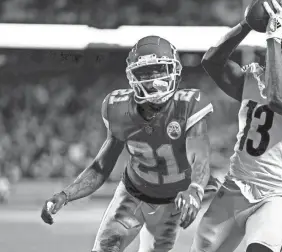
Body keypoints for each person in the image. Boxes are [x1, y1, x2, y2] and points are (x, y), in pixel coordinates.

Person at [40, 36, 214, 252]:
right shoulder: (118, 109)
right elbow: (101, 167)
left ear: (175, 70)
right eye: (147, 72)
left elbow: (200, 156)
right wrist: (66, 195)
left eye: (160, 70)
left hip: (172, 201)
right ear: (134, 76)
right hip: (133, 193)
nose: (155, 79)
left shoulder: (189, 104)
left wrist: (195, 189)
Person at [190, 0, 282, 252]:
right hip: (236, 185)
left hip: (276, 195)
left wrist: (274, 38)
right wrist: (246, 25)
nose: (275, 56)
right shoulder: (255, 79)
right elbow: (211, 62)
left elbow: (279, 99)